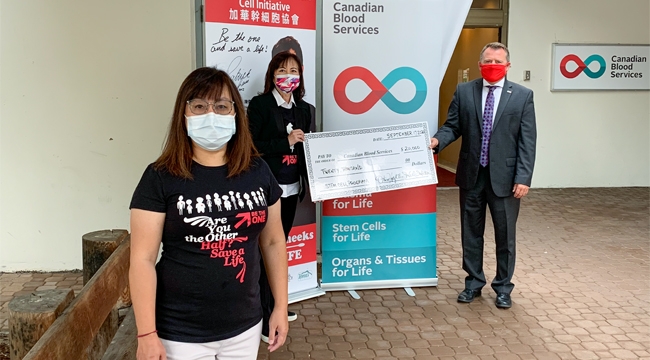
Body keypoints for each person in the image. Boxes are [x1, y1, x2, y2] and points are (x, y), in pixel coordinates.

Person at [129, 67, 289, 360]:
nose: (211, 114)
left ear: (235, 115)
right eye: (200, 106)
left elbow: (274, 242)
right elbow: (142, 259)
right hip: (180, 332)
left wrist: (280, 305)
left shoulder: (258, 172)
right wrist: (146, 333)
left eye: (221, 106)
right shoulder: (160, 177)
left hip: (245, 327)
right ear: (184, 114)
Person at [430, 42, 537, 309]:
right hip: (471, 176)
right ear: (480, 64)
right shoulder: (465, 91)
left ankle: (503, 287)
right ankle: (473, 283)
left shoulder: (523, 95)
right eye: (488, 61)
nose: (492, 66)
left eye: (498, 62)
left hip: (506, 180)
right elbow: (452, 126)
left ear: (508, 66)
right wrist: (436, 141)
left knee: (505, 236)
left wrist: (523, 177)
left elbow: (528, 140)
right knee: (471, 233)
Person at [247, 51, 312, 342]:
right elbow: (252, 146)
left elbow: (308, 151)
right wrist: (285, 141)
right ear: (273, 74)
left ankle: (276, 307)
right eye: (283, 69)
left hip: (292, 189)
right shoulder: (260, 106)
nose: (289, 75)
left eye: (294, 70)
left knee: (279, 247)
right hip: (265, 190)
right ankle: (261, 315)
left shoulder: (305, 109)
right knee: (264, 250)